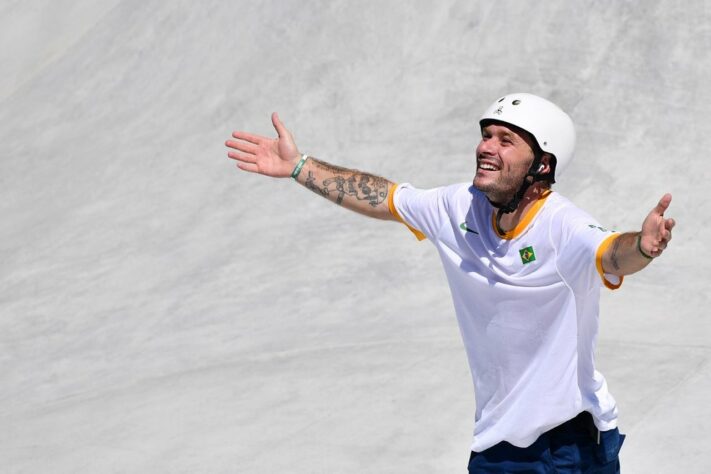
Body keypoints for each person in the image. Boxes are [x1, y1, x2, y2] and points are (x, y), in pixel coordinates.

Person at [225, 93, 675, 473]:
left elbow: (614, 252)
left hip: (565, 445)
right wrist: (300, 166)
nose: (486, 147)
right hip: (495, 443)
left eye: (505, 140)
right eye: (485, 135)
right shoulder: (459, 207)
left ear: (542, 164)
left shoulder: (563, 227)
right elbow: (385, 197)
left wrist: (645, 245)